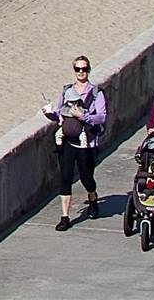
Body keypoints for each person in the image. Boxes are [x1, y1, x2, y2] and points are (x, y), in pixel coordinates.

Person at [44, 55, 108, 226]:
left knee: (87, 178)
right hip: (67, 141)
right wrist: (50, 114)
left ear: (89, 70)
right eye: (78, 69)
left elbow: (101, 117)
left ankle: (93, 198)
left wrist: (84, 116)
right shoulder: (67, 90)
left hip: (87, 142)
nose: (81, 72)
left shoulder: (96, 93)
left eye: (84, 69)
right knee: (65, 177)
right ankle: (65, 217)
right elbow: (60, 114)